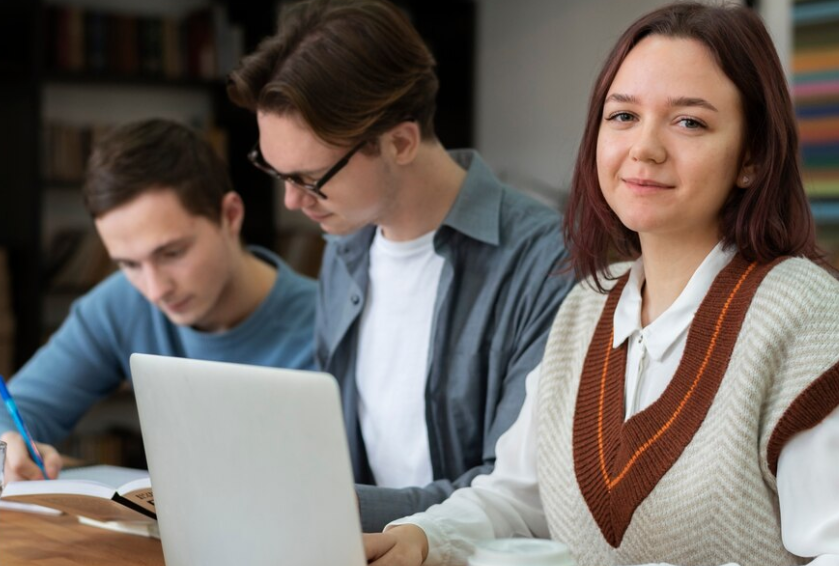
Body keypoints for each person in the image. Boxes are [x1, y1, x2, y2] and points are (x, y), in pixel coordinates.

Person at [364, 3, 839, 565]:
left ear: (752, 157)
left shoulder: (808, 319)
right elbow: (521, 497)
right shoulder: (585, 306)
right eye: (623, 116)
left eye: (689, 121)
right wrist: (424, 538)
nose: (644, 148)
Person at [227, 0, 575, 532]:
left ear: (401, 141)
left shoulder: (547, 261)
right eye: (278, 174)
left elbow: (518, 494)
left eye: (311, 179)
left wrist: (330, 507)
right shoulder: (346, 251)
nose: (294, 203)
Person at [0, 119, 317, 482]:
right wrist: (9, 442)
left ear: (230, 216)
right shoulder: (119, 304)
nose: (154, 290)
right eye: (129, 264)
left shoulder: (330, 327)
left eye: (172, 253)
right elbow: (16, 412)